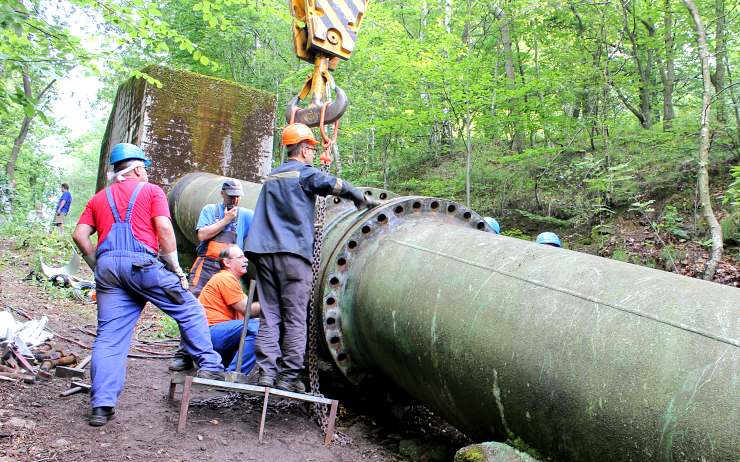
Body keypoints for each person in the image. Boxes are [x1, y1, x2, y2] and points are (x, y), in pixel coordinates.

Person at [72, 143, 224, 427]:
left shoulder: (99, 199)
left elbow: (80, 235)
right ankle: (211, 367)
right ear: (139, 167)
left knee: (109, 337)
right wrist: (176, 267)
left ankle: (101, 406)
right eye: (145, 168)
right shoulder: (151, 191)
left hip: (108, 270)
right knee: (189, 308)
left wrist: (98, 265)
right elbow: (165, 229)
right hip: (141, 265)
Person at [244, 122, 379, 393]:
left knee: (270, 315)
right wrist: (359, 198)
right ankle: (288, 375)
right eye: (311, 150)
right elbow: (332, 184)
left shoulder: (272, 177)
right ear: (304, 149)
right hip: (293, 254)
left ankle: (267, 374)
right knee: (295, 315)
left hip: (263, 254)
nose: (313, 155)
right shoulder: (303, 173)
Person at [168, 179, 254, 372]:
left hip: (229, 268)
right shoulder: (210, 210)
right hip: (207, 266)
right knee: (192, 308)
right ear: (223, 194)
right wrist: (225, 221)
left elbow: (264, 223)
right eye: (231, 195)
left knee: (231, 310)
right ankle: (184, 354)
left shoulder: (246, 216)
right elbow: (202, 235)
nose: (235, 199)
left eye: (238, 196)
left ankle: (218, 354)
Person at [199, 245, 260, 375]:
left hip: (218, 334)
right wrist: (272, 305)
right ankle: (234, 374)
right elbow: (246, 308)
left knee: (258, 326)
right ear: (227, 262)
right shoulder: (225, 278)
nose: (246, 260)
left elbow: (246, 315)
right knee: (259, 328)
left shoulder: (232, 282)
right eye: (240, 257)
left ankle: (231, 371)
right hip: (211, 333)